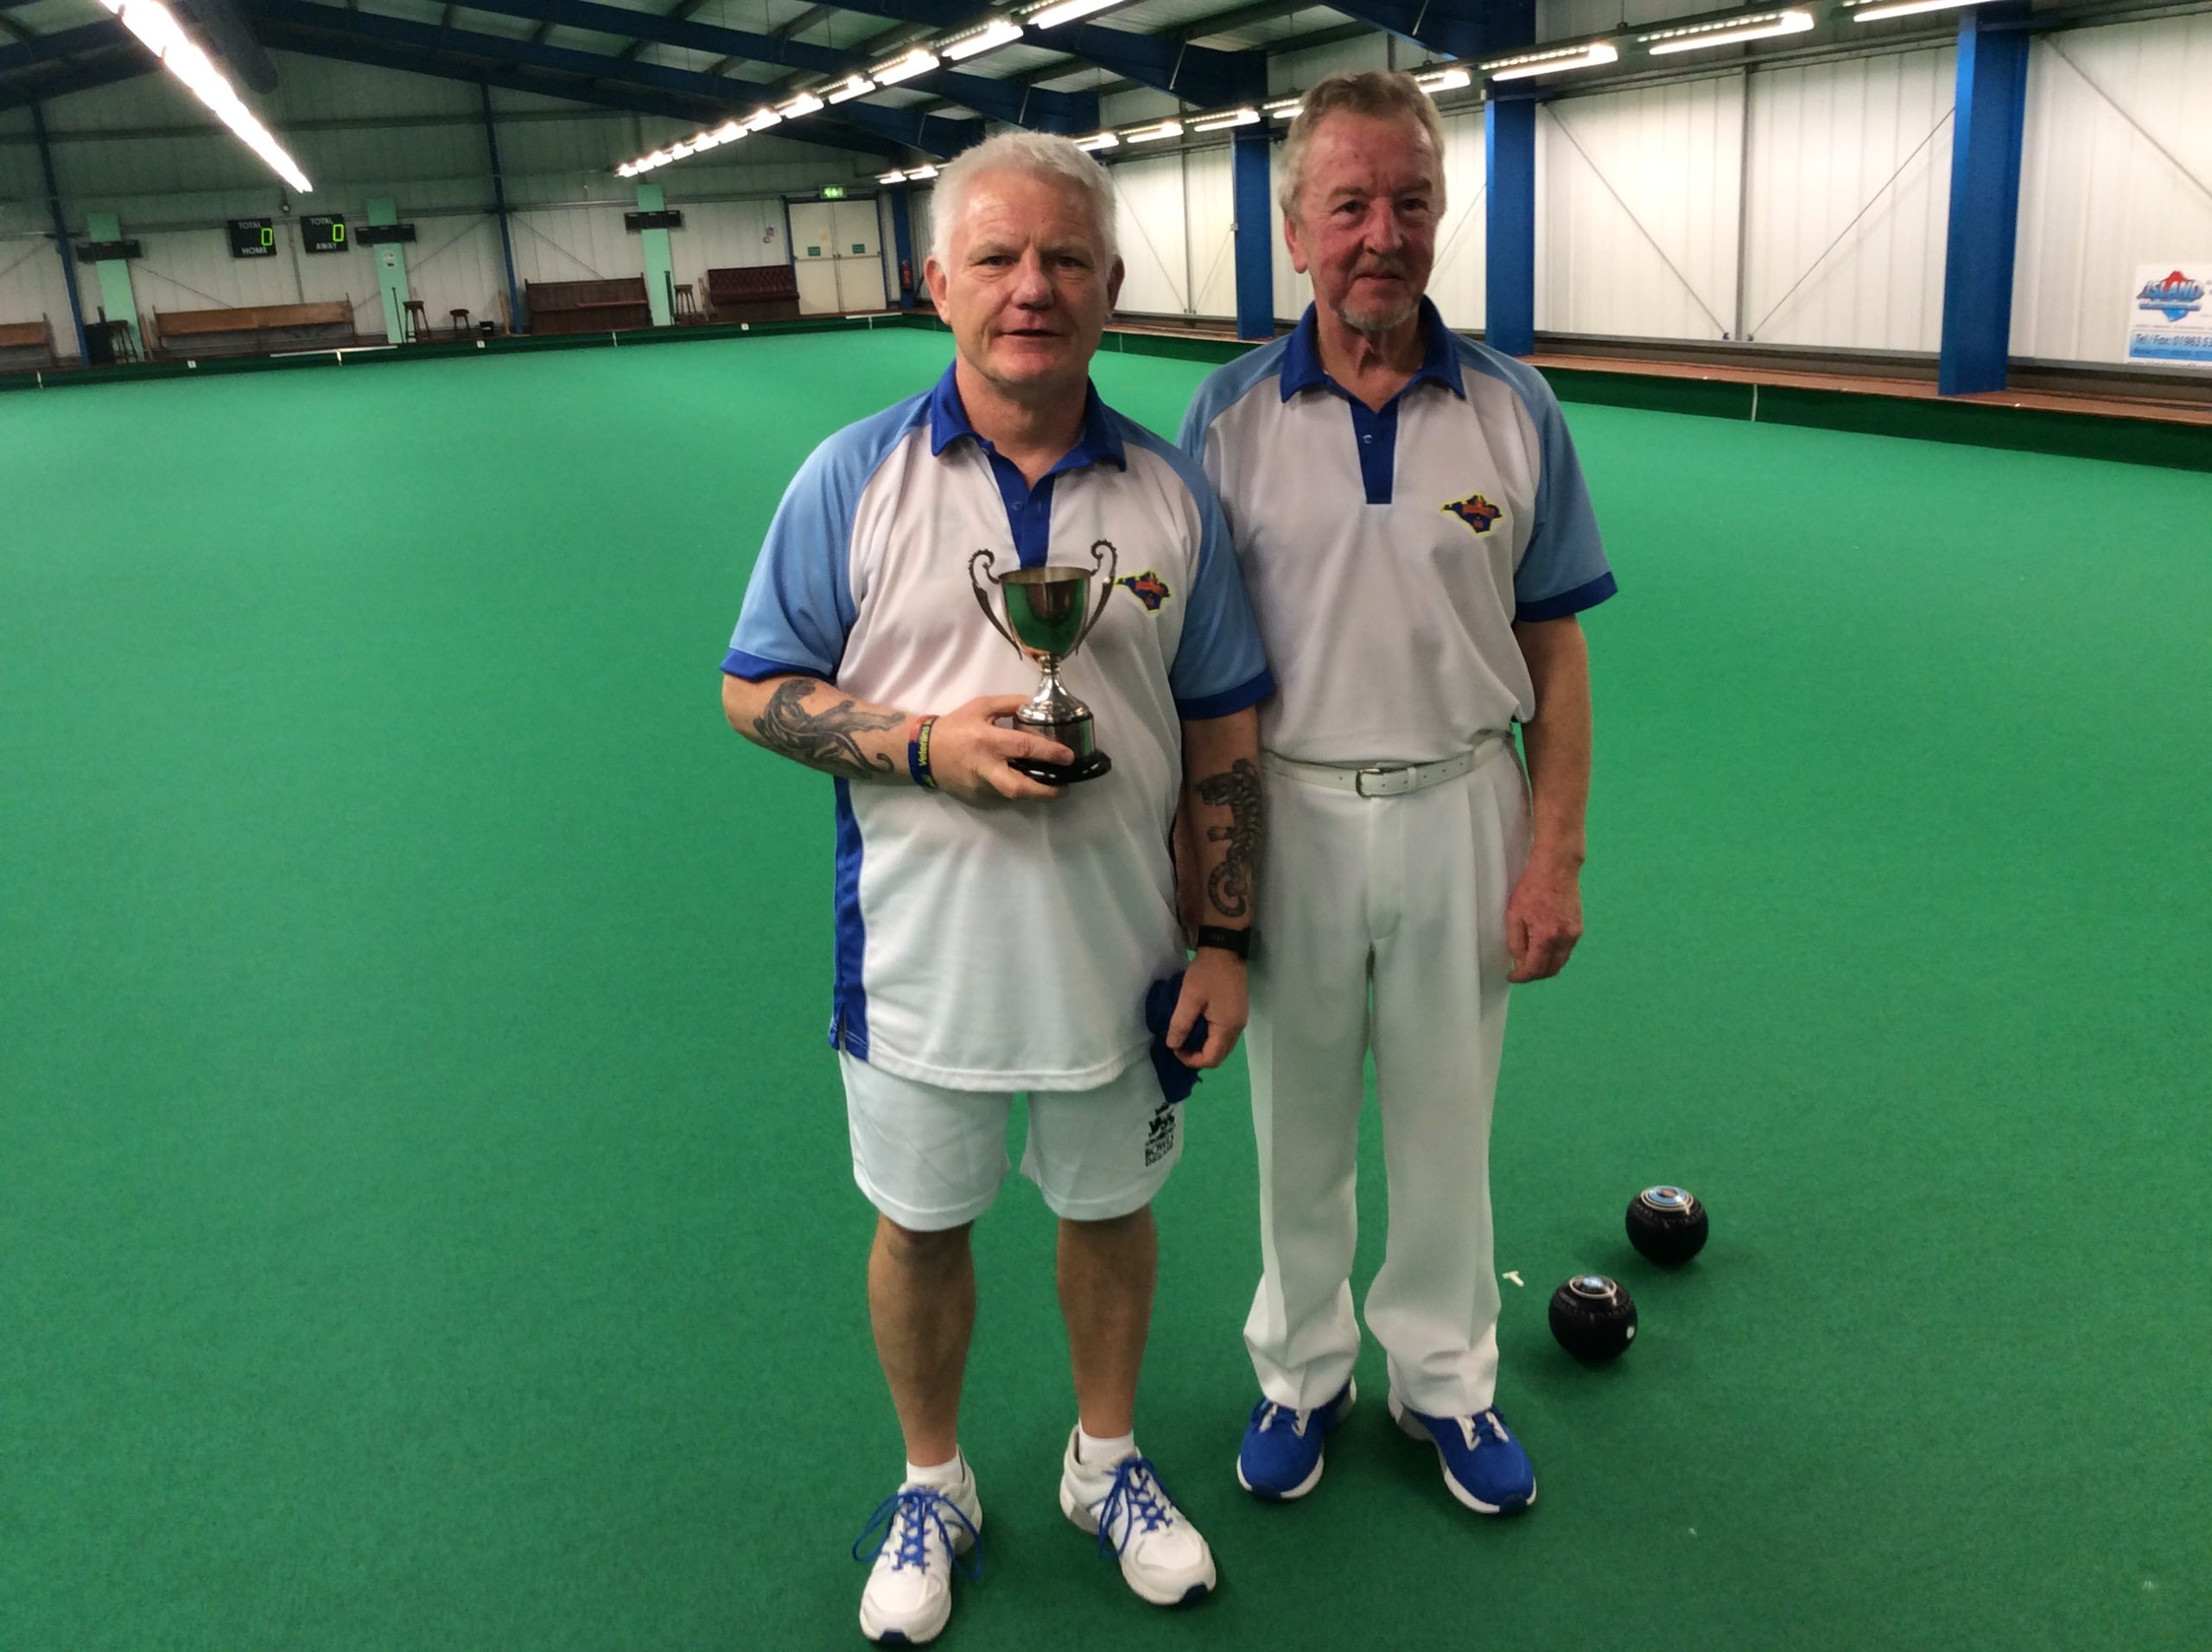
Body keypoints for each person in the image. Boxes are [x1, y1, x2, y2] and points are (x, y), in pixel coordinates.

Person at [720, 130, 1273, 1644]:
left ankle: (1108, 1462)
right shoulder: (853, 478)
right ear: (938, 281)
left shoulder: (1170, 494)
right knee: (923, 1223)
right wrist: (919, 744)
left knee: (1111, 1212)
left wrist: (1225, 937)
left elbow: (1223, 729)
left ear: (1109, 287)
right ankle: (933, 1480)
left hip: (1126, 957)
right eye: (999, 258)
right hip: (918, 959)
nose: (1033, 288)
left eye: (1067, 260)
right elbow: (754, 688)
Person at [1179, 70, 1614, 1516]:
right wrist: (1209, 905)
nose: (1382, 232)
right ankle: (1300, 1373)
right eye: (1349, 203)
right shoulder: (1227, 419)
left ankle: (1447, 1382)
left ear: (1441, 217)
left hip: (1456, 808)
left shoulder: (1513, 405)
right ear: (1295, 227)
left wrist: (1552, 860)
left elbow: (1555, 657)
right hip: (1288, 815)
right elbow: (1199, 680)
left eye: (1410, 202)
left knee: (1447, 1121)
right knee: (1294, 1122)